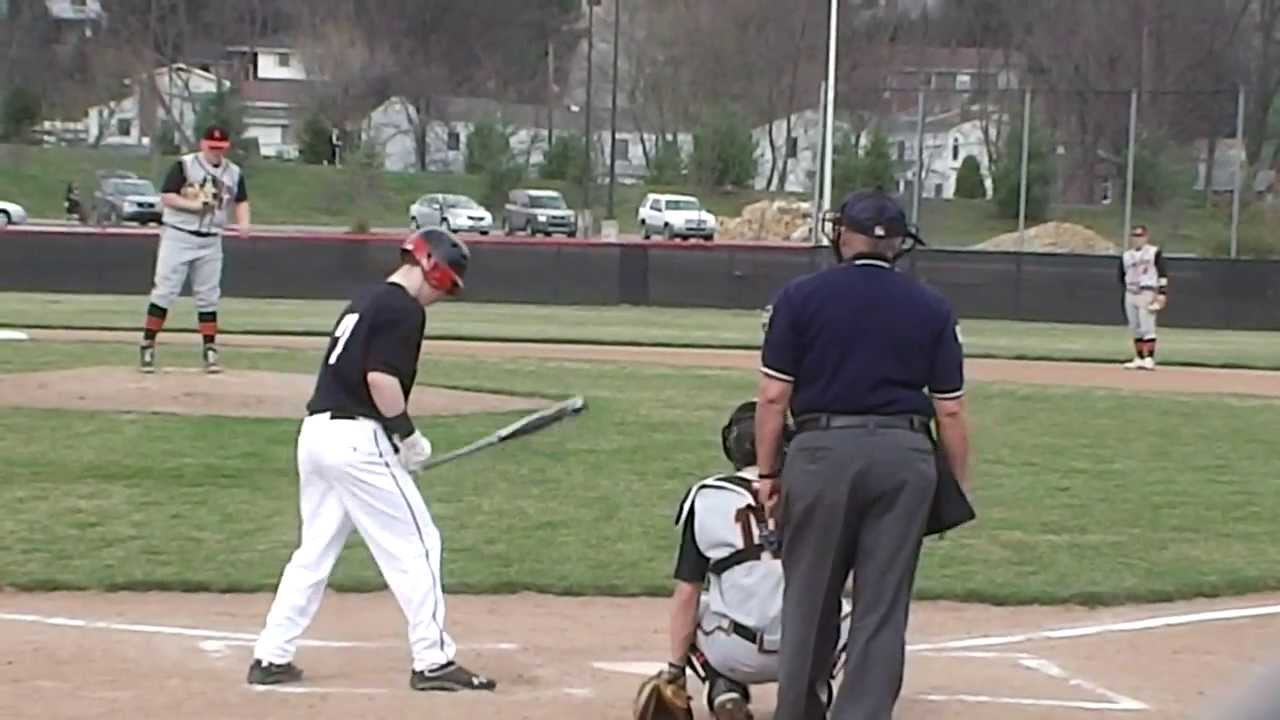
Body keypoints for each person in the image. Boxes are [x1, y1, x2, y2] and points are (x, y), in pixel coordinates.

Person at [248, 227, 496, 693]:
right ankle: (433, 660)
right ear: (434, 269)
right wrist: (407, 436)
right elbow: (381, 379)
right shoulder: (404, 309)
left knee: (314, 552)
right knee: (420, 544)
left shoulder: (365, 299)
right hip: (356, 443)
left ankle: (272, 654)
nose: (442, 296)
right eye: (446, 285)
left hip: (317, 434)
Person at [754, 189, 971, 720]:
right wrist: (953, 484)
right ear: (898, 243)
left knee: (808, 598)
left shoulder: (801, 296)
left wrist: (766, 473)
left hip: (821, 452)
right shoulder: (931, 305)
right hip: (904, 456)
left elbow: (773, 396)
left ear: (841, 235)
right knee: (881, 606)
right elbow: (951, 412)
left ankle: (798, 711)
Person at [651, 401, 852, 720]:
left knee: (694, 606)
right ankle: (814, 691)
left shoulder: (708, 498)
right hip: (809, 650)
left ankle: (723, 685)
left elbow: (687, 592)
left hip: (737, 652)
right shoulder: (817, 491)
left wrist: (675, 669)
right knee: (857, 612)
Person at [139, 125, 251, 374]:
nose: (215, 152)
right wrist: (193, 205)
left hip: (211, 239)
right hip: (178, 235)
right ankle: (148, 344)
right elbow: (167, 196)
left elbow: (241, 199)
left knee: (208, 295)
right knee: (165, 291)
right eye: (211, 147)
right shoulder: (185, 165)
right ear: (202, 144)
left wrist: (244, 222)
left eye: (220, 148)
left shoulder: (233, 172)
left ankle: (210, 349)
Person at [1118, 225, 1169, 370]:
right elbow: (1121, 275)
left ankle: (1149, 358)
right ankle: (1139, 357)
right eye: (1134, 236)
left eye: (1140, 236)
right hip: (1131, 292)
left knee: (1147, 325)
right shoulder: (1126, 256)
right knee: (1135, 327)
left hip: (1147, 291)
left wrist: (1162, 293)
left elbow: (1162, 273)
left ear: (1146, 237)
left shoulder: (1153, 252)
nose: (1137, 239)